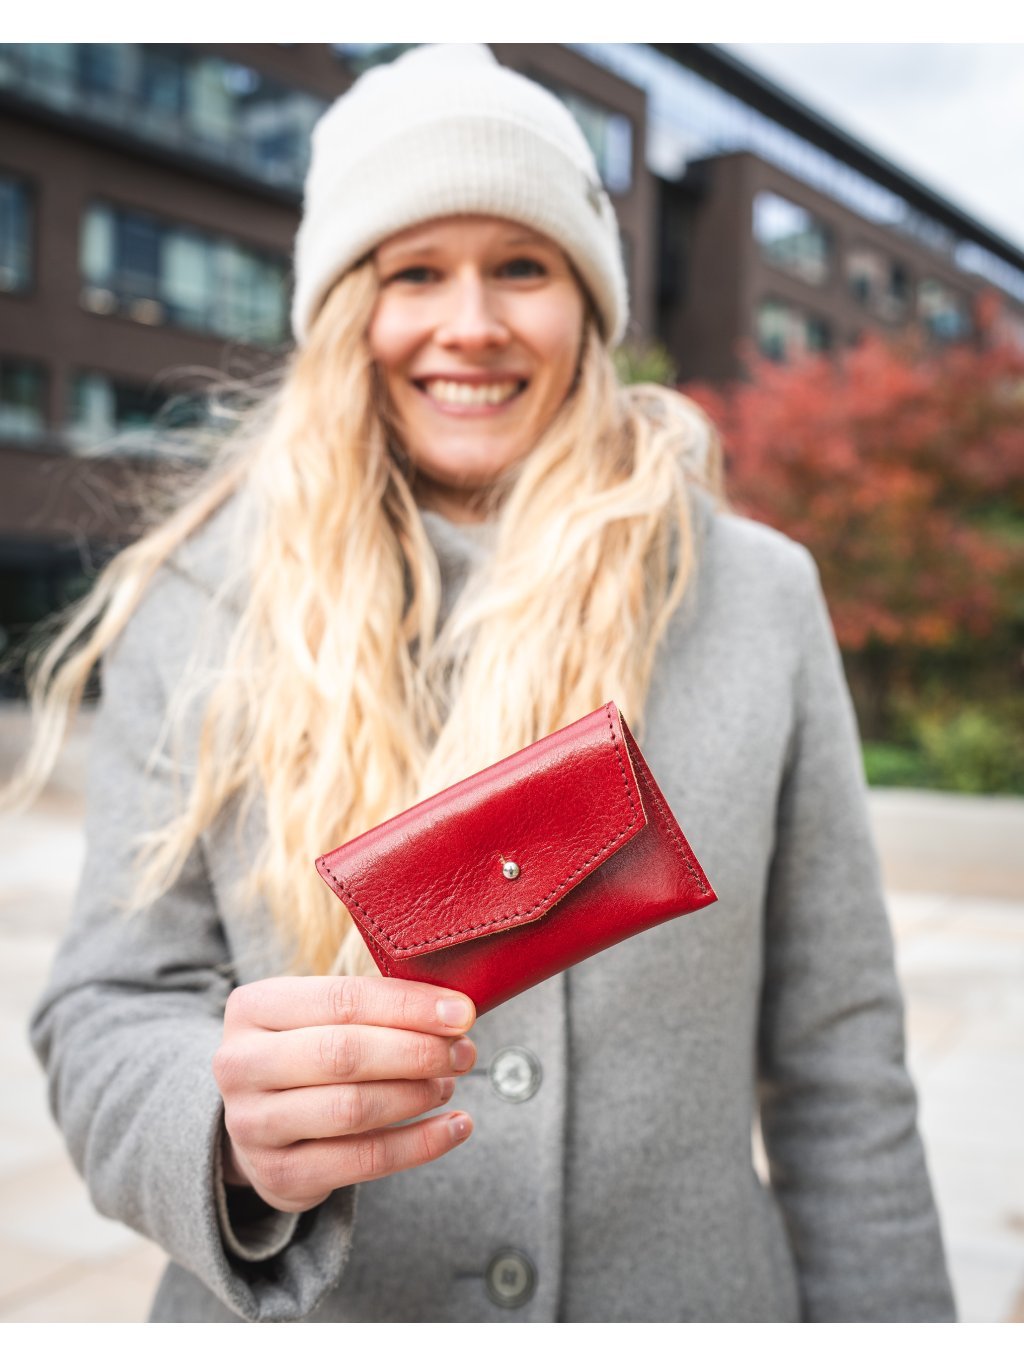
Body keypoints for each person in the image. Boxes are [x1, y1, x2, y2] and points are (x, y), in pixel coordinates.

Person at [13, 44, 955, 1322]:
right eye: (414, 271)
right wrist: (222, 1131)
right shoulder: (200, 597)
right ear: (346, 310)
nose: (471, 323)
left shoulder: (753, 592)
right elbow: (112, 1003)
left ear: (589, 304)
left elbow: (839, 1060)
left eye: (522, 265)